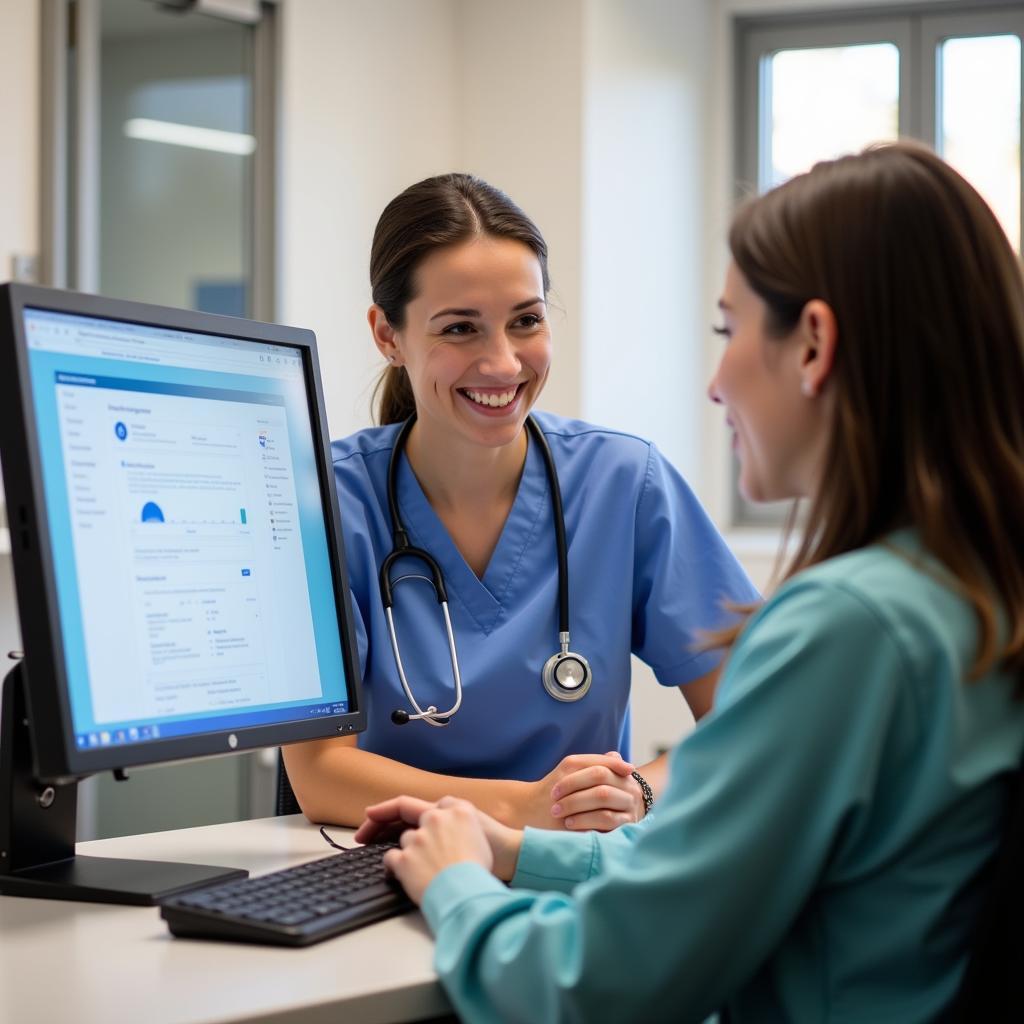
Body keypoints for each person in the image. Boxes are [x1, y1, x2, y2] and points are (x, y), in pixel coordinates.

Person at [355, 142, 1024, 1022]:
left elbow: (593, 985)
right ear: (389, 334)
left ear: (813, 344)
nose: (714, 383)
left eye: (728, 330)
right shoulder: (972, 588)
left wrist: (458, 891)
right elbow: (737, 853)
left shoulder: (845, 630)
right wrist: (520, 845)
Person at [284, 174, 757, 831]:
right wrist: (523, 808)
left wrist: (641, 793)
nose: (503, 363)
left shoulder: (624, 483)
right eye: (460, 329)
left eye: (525, 321)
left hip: (580, 871)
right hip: (393, 868)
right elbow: (318, 773)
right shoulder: (328, 502)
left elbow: (750, 716)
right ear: (387, 335)